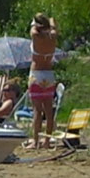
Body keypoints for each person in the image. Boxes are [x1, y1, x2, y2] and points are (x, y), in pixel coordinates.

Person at [28, 13, 59, 149]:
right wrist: (50, 23)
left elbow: (33, 29)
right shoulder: (52, 36)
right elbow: (54, 26)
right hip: (49, 74)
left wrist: (36, 24)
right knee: (48, 110)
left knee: (37, 110)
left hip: (36, 74)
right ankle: (47, 141)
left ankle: (35, 141)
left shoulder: (35, 36)